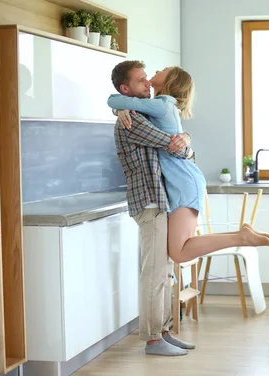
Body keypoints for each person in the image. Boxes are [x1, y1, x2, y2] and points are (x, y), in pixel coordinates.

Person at [107, 65, 269, 266]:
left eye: (164, 69)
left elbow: (114, 99)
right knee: (180, 249)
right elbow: (123, 103)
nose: (156, 71)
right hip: (183, 180)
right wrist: (120, 110)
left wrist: (119, 107)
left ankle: (241, 237)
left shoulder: (162, 104)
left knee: (179, 252)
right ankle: (241, 235)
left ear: (170, 81)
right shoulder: (163, 107)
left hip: (183, 182)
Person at [111, 60, 196, 357]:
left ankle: (164, 332)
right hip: (148, 202)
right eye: (140, 81)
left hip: (160, 202)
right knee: (155, 272)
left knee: (165, 272)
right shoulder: (131, 119)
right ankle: (152, 339)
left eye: (148, 79)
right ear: (125, 89)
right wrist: (185, 141)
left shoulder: (140, 113)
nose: (147, 84)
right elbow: (169, 143)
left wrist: (186, 139)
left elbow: (178, 143)